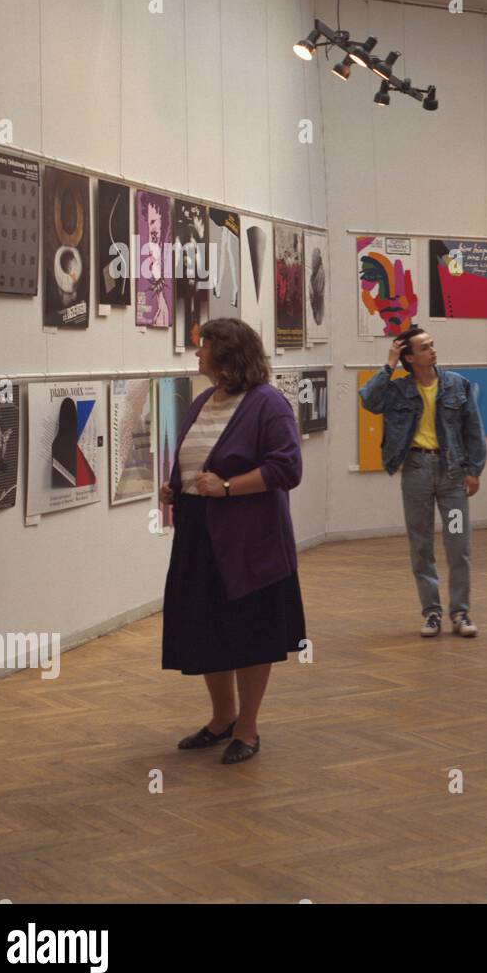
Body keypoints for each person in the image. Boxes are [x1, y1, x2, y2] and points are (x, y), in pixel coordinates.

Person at [160, 318, 305, 764]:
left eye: (203, 347)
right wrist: (174, 486)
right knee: (207, 626)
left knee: (250, 631)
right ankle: (221, 719)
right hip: (200, 534)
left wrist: (226, 488)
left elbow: (287, 469)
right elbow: (193, 457)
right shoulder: (204, 399)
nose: (197, 355)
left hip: (250, 543)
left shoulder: (268, 404)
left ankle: (248, 727)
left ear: (227, 353)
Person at [359, 326, 487, 638]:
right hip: (416, 470)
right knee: (421, 545)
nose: (432, 351)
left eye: (432, 345)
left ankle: (461, 612)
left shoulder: (458, 385)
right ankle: (432, 613)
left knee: (458, 544)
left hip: (453, 474)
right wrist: (388, 364)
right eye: (425, 347)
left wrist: (474, 470)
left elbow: (474, 430)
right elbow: (369, 400)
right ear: (410, 357)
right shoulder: (399, 389)